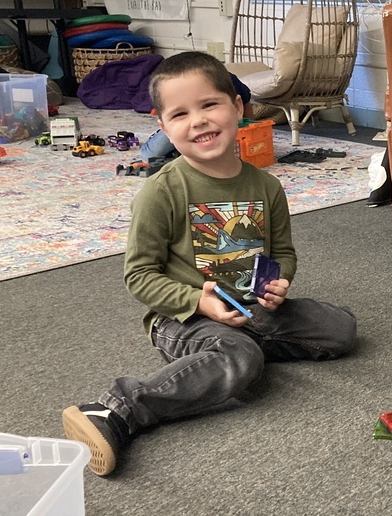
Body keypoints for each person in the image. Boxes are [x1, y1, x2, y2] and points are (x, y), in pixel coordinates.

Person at [62, 51, 357, 476]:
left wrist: (280, 283)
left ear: (237, 107)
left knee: (339, 329)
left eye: (209, 105)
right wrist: (198, 302)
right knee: (240, 357)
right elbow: (139, 275)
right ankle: (117, 410)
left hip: (249, 308)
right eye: (180, 114)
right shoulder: (160, 191)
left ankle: (223, 359)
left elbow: (283, 253)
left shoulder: (267, 186)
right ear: (163, 127)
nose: (197, 120)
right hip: (182, 317)